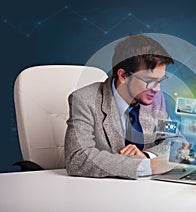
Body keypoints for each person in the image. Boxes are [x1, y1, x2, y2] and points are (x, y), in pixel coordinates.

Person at [65, 34, 180, 179]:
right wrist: (147, 166)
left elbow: (177, 141)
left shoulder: (156, 100)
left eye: (160, 80)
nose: (157, 89)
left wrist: (146, 156)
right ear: (123, 76)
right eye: (150, 81)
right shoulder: (84, 100)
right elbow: (77, 158)